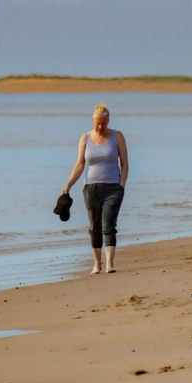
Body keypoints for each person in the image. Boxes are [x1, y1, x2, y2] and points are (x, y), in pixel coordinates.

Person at [62, 104, 129, 274]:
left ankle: (110, 264)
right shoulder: (85, 139)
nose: (101, 127)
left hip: (113, 188)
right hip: (90, 189)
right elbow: (79, 165)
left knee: (109, 224)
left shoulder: (117, 136)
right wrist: (68, 184)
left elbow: (125, 164)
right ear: (93, 121)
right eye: (98, 123)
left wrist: (121, 186)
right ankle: (97, 264)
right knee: (94, 226)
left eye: (104, 124)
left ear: (108, 121)